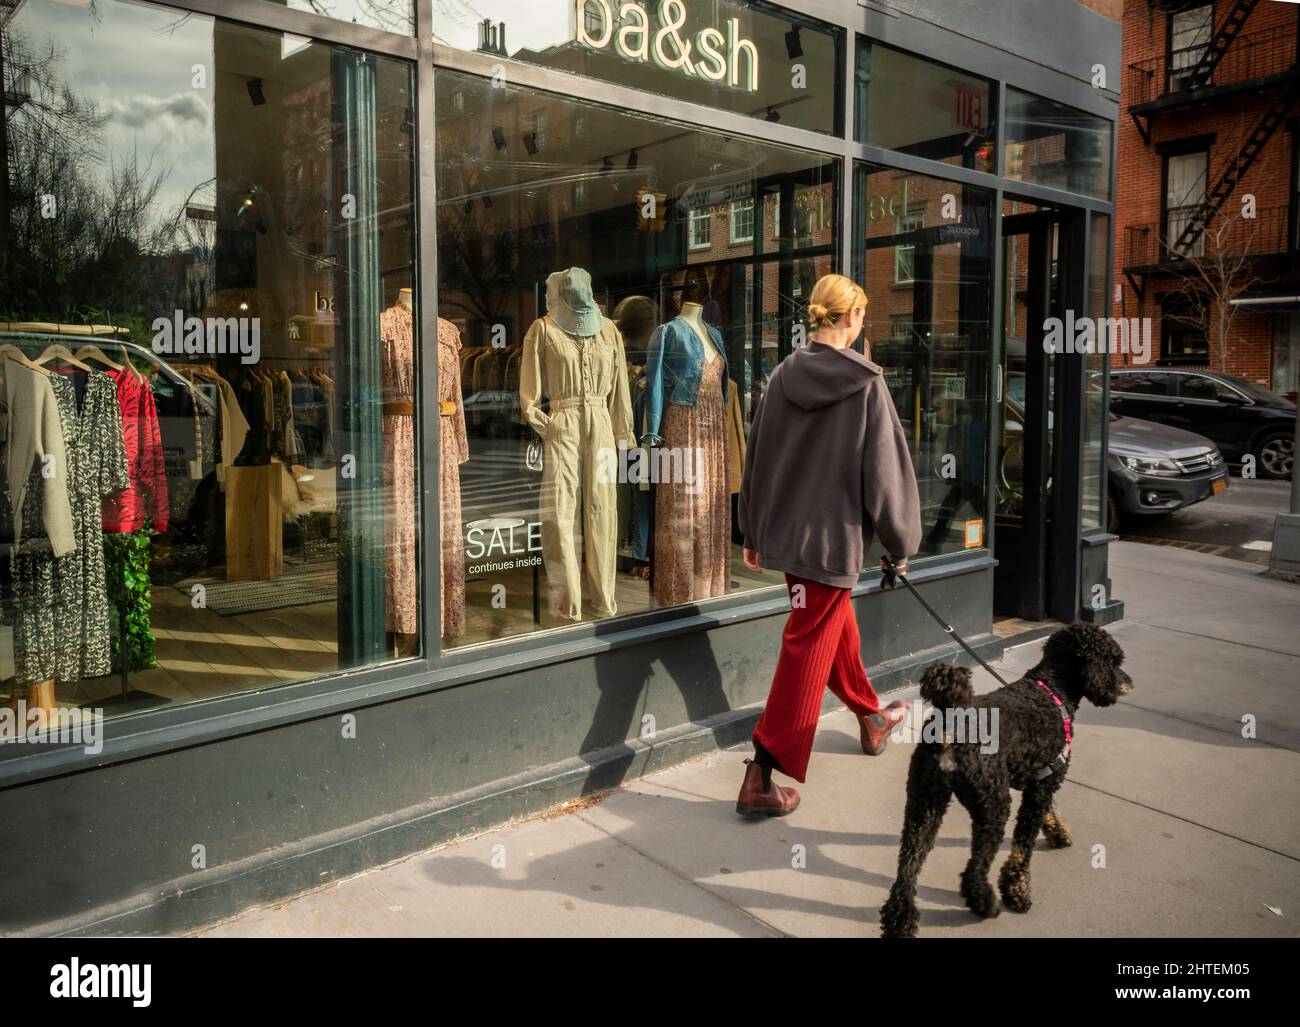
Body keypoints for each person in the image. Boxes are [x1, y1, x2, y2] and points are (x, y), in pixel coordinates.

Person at [735, 274, 922, 816]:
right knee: (807, 643)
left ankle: (870, 717)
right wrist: (901, 541)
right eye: (861, 316)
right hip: (833, 543)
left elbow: (758, 459)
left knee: (833, 627)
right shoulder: (865, 384)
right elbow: (886, 472)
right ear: (851, 318)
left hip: (791, 539)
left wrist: (752, 530)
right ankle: (761, 773)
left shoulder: (781, 375)